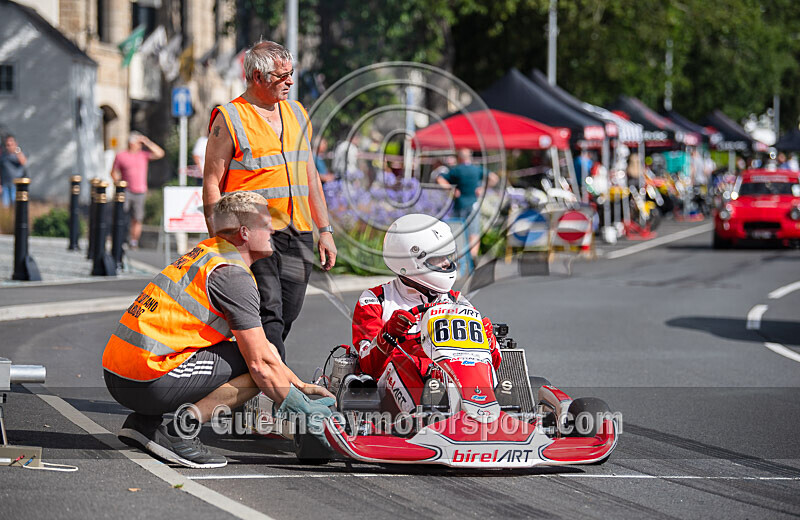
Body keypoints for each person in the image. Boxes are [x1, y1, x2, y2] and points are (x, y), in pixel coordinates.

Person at [102, 192, 334, 469]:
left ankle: (144, 422)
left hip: (120, 374)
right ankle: (180, 433)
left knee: (262, 352)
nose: (273, 228)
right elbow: (260, 365)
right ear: (245, 232)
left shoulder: (209, 253)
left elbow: (264, 350)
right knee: (254, 368)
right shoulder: (233, 276)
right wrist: (304, 412)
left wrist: (299, 385)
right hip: (146, 381)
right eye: (266, 223)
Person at [203, 40, 337, 362]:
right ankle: (273, 391)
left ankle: (250, 371)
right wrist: (220, 240)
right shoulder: (230, 118)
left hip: (298, 232)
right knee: (270, 310)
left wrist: (325, 229)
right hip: (254, 234)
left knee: (288, 310)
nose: (290, 81)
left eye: (291, 74)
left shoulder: (297, 112)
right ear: (257, 77)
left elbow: (311, 177)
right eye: (281, 76)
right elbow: (211, 184)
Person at [351, 214, 502, 413]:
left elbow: (492, 363)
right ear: (410, 261)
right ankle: (422, 421)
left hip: (450, 378)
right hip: (393, 388)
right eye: (438, 259)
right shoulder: (376, 300)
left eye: (447, 257)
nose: (446, 264)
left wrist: (487, 340)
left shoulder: (456, 301)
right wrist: (389, 334)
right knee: (402, 362)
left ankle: (488, 412)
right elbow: (367, 365)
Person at [435, 148, 499, 262]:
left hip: (460, 205)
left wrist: (451, 190)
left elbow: (439, 178)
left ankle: (460, 258)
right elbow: (494, 178)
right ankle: (473, 256)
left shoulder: (456, 170)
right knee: (474, 231)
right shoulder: (477, 169)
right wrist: (483, 188)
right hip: (474, 205)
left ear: (459, 157)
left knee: (458, 231)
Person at [111, 131, 165, 248]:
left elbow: (160, 153)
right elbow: (113, 171)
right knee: (121, 215)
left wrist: (147, 141)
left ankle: (133, 241)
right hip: (126, 191)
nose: (140, 145)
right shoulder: (121, 155)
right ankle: (120, 238)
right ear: (131, 143)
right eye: (138, 143)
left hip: (140, 191)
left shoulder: (143, 155)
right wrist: (118, 184)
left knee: (137, 218)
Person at [1, 134, 27, 207]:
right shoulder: (3, 156)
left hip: (16, 185)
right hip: (5, 184)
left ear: (15, 144)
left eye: (11, 143)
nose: (9, 146)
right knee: (5, 205)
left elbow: (23, 162)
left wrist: (17, 151)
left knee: (16, 206)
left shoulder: (18, 154)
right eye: (7, 144)